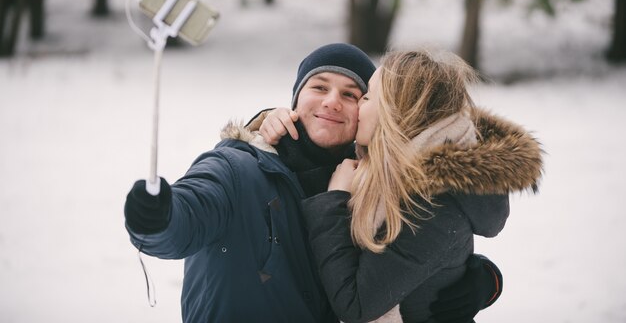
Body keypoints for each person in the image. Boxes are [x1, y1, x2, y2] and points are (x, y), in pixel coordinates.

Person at [124, 43, 507, 323]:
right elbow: (187, 217)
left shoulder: (368, 182)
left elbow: (420, 246)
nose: (332, 102)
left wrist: (481, 278)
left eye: (354, 94)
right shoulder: (237, 168)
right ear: (294, 100)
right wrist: (157, 218)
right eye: (319, 87)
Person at [259, 49, 543, 322]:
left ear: (397, 116)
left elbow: (358, 303)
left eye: (364, 96)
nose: (354, 106)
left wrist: (334, 199)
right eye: (319, 88)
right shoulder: (373, 167)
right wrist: (266, 121)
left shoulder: (426, 198)